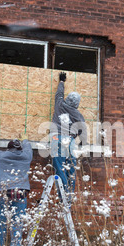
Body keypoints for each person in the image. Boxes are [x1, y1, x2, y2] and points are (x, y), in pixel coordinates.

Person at [0, 134, 33, 246]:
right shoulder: (26, 157)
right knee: (17, 226)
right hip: (20, 193)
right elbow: (28, 147)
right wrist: (24, 138)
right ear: (20, 149)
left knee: (1, 225)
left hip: (5, 193)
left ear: (8, 149)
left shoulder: (1, 157)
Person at [51, 72, 88, 204]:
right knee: (70, 169)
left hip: (57, 139)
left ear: (67, 99)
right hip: (70, 141)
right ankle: (68, 197)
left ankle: (62, 196)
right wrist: (83, 144)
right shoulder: (77, 114)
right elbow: (83, 129)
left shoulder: (60, 104)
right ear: (77, 103)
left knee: (59, 166)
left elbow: (59, 94)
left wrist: (62, 82)